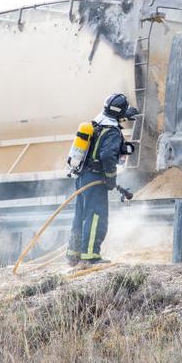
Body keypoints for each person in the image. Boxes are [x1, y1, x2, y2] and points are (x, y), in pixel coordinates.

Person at [67, 94, 138, 266]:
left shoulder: (96, 124)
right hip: (95, 179)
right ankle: (91, 256)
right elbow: (107, 156)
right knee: (96, 217)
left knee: (80, 216)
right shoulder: (112, 131)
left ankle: (74, 255)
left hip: (82, 176)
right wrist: (111, 179)